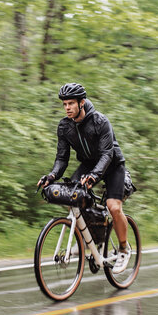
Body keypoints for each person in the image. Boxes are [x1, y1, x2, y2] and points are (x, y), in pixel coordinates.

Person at [37, 83, 130, 274]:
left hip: (112, 165)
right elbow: (62, 158)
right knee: (71, 197)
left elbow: (106, 154)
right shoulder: (64, 126)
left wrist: (95, 176)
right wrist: (52, 175)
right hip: (88, 165)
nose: (67, 108)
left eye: (71, 103)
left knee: (113, 206)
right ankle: (90, 239)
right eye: (64, 104)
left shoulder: (100, 121)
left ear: (82, 102)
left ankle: (123, 248)